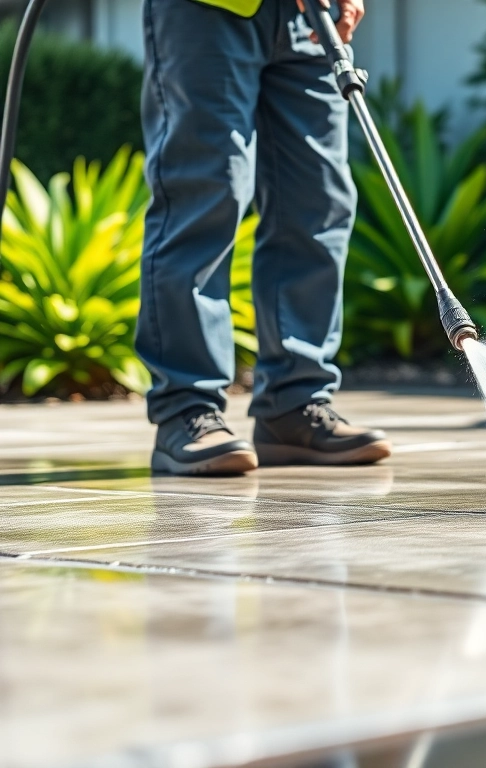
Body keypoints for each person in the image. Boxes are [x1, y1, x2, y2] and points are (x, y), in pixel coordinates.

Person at [136, 0, 390, 475]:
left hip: (305, 19)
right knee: (207, 190)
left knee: (318, 197)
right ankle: (185, 410)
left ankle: (293, 404)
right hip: (207, 10)